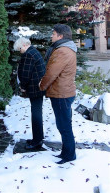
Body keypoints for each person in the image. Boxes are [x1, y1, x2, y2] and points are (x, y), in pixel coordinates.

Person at [40, 24, 77, 164]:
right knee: (64, 124)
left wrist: (42, 86)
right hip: (63, 92)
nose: (51, 35)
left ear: (60, 36)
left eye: (54, 33)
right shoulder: (64, 49)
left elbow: (51, 73)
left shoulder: (62, 51)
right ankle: (66, 152)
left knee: (64, 126)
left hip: (62, 93)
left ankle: (69, 155)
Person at [14, 37, 46, 150]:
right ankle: (38, 138)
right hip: (38, 88)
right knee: (37, 112)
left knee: (36, 114)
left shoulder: (28, 54)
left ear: (23, 45)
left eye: (19, 49)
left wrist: (23, 86)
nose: (20, 51)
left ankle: (37, 141)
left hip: (34, 89)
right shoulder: (34, 51)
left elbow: (26, 73)